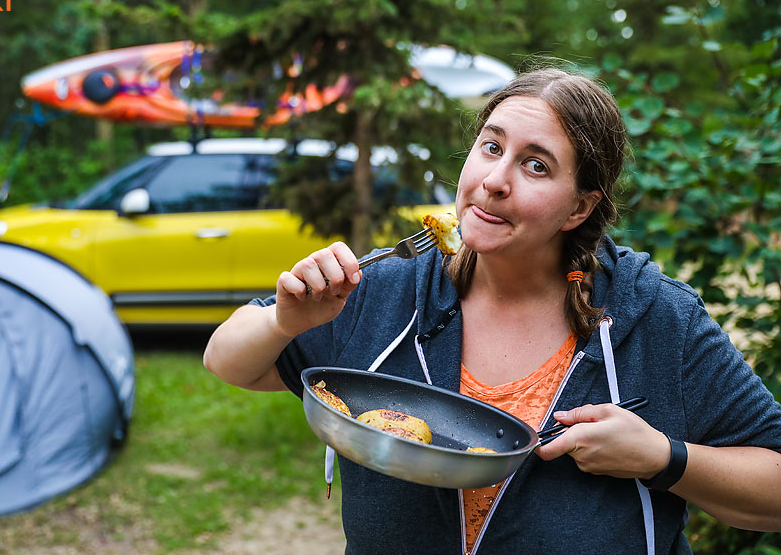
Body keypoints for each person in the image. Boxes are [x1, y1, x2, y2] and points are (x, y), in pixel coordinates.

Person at [203, 67, 781, 555]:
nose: (494, 181)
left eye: (536, 165)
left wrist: (661, 457)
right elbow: (228, 362)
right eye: (492, 147)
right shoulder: (386, 288)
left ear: (579, 207)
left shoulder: (656, 318)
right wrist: (286, 320)